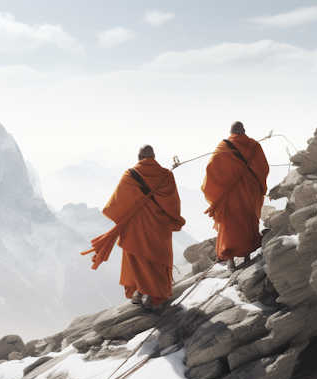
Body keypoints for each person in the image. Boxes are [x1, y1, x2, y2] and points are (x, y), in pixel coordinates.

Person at [83, 145, 185, 310]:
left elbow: (116, 205)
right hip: (159, 228)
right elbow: (174, 205)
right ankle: (154, 295)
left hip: (136, 229)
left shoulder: (129, 175)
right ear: (153, 157)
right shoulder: (167, 175)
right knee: (157, 259)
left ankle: (139, 292)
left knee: (139, 260)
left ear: (139, 158)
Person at [201, 122, 269, 270]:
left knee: (230, 226)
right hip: (250, 192)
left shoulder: (223, 147)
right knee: (248, 221)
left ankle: (231, 261)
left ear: (231, 133)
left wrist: (219, 189)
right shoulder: (254, 146)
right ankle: (247, 256)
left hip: (231, 195)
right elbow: (264, 167)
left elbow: (211, 169)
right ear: (244, 131)